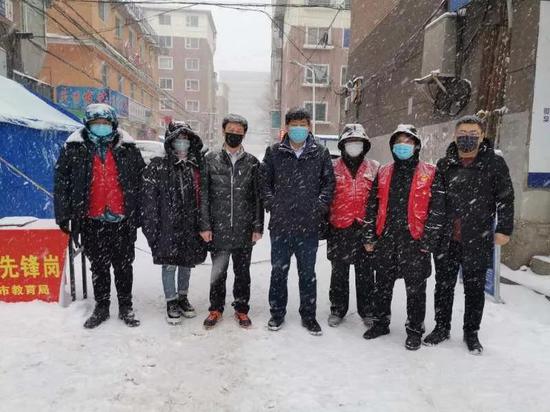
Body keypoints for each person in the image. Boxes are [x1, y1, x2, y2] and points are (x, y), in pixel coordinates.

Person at [424, 115, 514, 355]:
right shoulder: (445, 163)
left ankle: (471, 332)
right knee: (443, 286)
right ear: (455, 136)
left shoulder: (494, 163)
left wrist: (504, 229)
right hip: (447, 238)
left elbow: (505, 198)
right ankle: (441, 327)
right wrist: (432, 232)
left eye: (473, 134)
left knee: (474, 288)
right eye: (462, 133)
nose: (467, 138)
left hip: (477, 236)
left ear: (482, 136)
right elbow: (437, 200)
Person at [54, 103, 145, 329]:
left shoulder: (128, 149)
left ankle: (126, 306)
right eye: (96, 123)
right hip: (91, 220)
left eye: (105, 123)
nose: (101, 127)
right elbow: (62, 184)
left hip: (122, 219)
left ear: (113, 124)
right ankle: (102, 307)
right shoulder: (74, 149)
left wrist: (140, 213)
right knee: (99, 266)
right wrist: (64, 215)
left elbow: (141, 183)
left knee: (124, 266)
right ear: (88, 125)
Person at [363, 124, 445, 350]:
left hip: (415, 239)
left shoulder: (430, 172)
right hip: (386, 237)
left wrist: (429, 239)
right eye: (399, 142)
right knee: (382, 285)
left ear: (416, 146)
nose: (403, 146)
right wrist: (369, 235)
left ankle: (415, 330)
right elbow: (372, 206)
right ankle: (380, 323)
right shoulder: (383, 172)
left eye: (408, 142)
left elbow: (437, 209)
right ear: (392, 146)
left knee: (416, 289)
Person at [261, 107, 335, 336]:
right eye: (294, 125)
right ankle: (277, 313)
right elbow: (264, 183)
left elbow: (329, 184)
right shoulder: (274, 152)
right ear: (287, 127)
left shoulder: (320, 153)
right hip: (281, 225)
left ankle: (309, 316)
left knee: (307, 273)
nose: (299, 129)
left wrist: (319, 207)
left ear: (309, 127)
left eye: (303, 124)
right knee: (278, 272)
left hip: (308, 226)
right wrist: (273, 204)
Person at [199, 114, 264, 329]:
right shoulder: (210, 159)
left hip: (244, 228)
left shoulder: (252, 163)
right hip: (218, 227)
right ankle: (215, 308)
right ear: (223, 131)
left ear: (244, 134)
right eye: (231, 130)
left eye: (238, 131)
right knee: (218, 272)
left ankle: (241, 309)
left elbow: (257, 197)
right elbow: (204, 195)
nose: (234, 134)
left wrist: (257, 226)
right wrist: (205, 225)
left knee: (242, 273)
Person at [141, 121, 207, 325]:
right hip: (166, 226)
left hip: (191, 225)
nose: (182, 143)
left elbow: (205, 196)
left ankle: (182, 297)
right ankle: (171, 301)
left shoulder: (197, 165)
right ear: (170, 142)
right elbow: (149, 201)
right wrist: (152, 229)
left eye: (186, 139)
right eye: (178, 139)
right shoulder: (158, 166)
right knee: (169, 264)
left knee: (186, 263)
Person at [327, 124, 379, 328]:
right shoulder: (332, 167)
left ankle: (368, 309)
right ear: (342, 145)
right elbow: (325, 196)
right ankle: (338, 308)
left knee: (365, 272)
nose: (354, 146)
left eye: (358, 143)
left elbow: (379, 199)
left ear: (365, 145)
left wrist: (374, 229)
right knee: (339, 272)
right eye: (349, 142)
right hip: (339, 227)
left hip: (365, 227)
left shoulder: (374, 167)